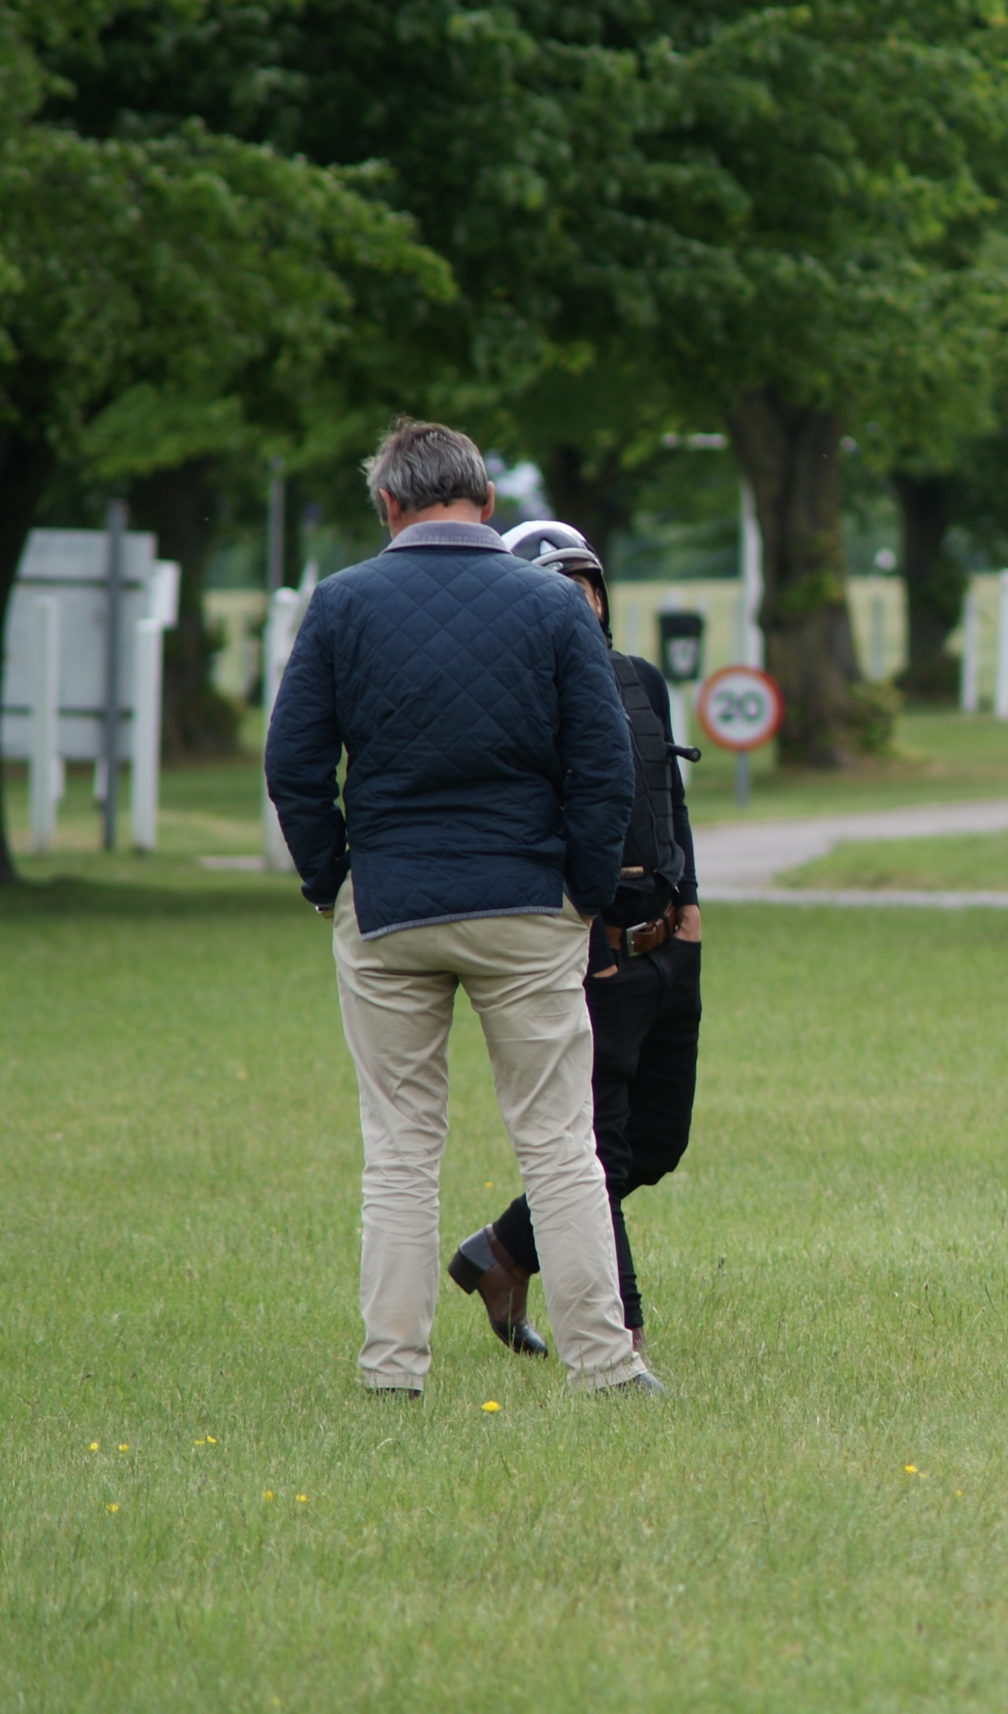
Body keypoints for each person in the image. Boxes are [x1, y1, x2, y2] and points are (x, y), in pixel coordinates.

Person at [264, 420, 658, 1398]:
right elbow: (604, 766)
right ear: (485, 503)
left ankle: (392, 1368)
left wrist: (332, 881)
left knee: (400, 1148)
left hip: (391, 903)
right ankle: (605, 1367)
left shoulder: (343, 604)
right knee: (562, 1145)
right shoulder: (550, 606)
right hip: (528, 902)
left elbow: (294, 763)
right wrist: (585, 892)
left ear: (387, 506)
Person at [447, 520, 704, 1361]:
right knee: (597, 1146)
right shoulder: (521, 707)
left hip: (665, 945)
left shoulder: (642, 680)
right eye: (558, 587)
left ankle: (503, 1252)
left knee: (657, 1144)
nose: (578, 602)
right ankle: (618, 1334)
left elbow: (670, 799)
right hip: (583, 949)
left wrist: (689, 912)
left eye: (587, 585)